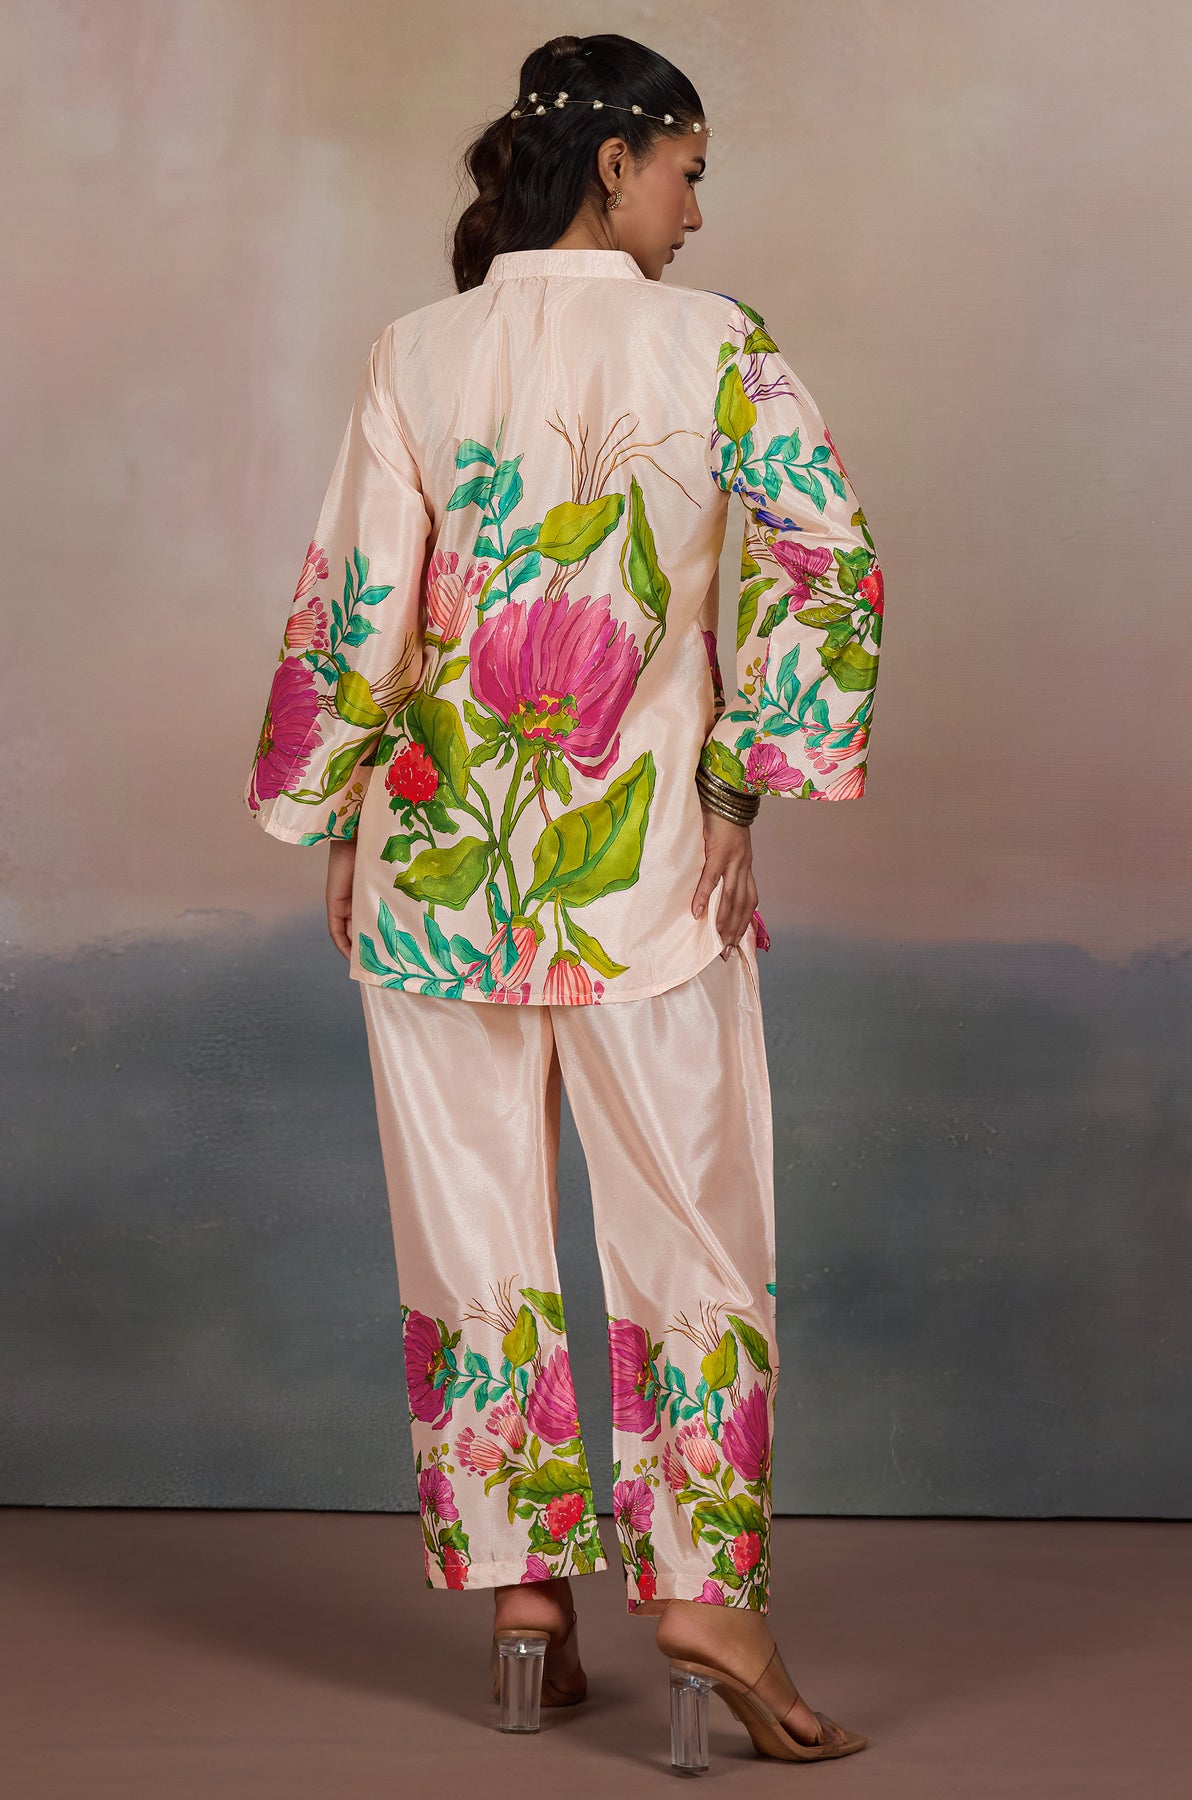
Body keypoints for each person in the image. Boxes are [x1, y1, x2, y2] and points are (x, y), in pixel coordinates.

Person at [242, 30, 883, 1773]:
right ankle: (706, 1595)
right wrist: (742, 775)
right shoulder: (715, 343)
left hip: (436, 861)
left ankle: (527, 1594)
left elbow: (356, 599)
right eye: (687, 168)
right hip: (645, 867)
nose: (698, 206)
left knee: (473, 1226)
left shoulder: (417, 351)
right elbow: (827, 560)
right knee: (692, 1219)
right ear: (615, 163)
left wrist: (334, 817)